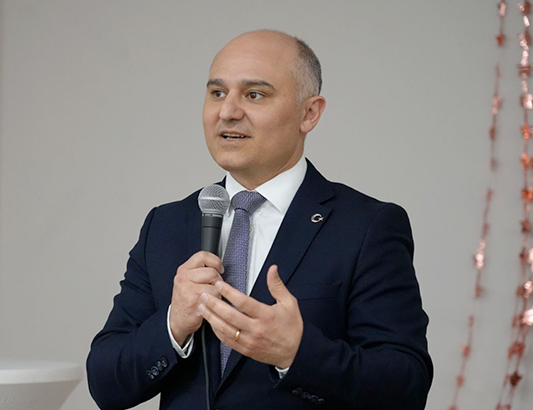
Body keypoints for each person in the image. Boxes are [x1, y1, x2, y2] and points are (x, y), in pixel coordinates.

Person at [87, 30, 433, 410]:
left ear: (309, 113)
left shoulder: (366, 227)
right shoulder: (166, 225)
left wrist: (295, 354)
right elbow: (106, 384)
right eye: (217, 93)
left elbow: (406, 386)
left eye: (254, 95)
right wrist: (173, 323)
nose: (228, 112)